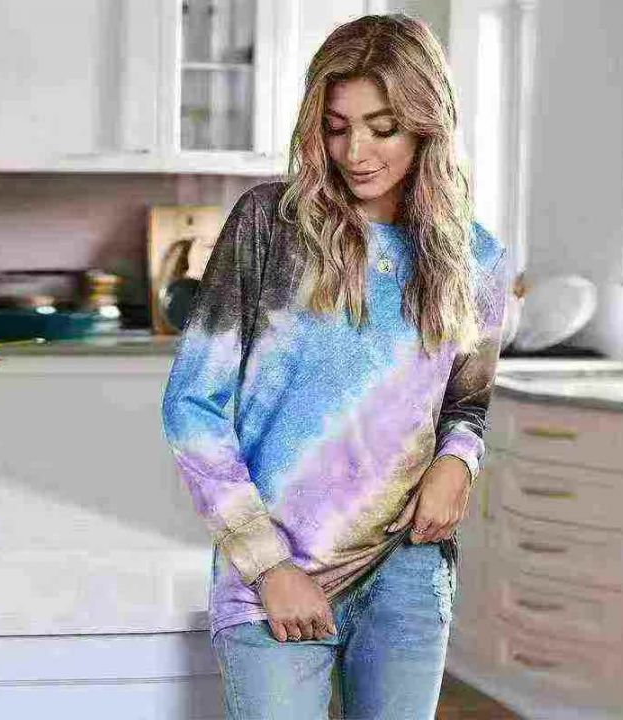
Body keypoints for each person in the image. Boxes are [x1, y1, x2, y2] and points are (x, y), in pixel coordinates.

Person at [161, 13, 508, 720]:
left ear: (427, 127)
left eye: (383, 128)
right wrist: (268, 564)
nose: (356, 152)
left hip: (408, 567)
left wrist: (458, 462)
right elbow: (192, 406)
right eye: (336, 126)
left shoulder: (475, 257)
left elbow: (466, 404)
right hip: (275, 574)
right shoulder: (268, 226)